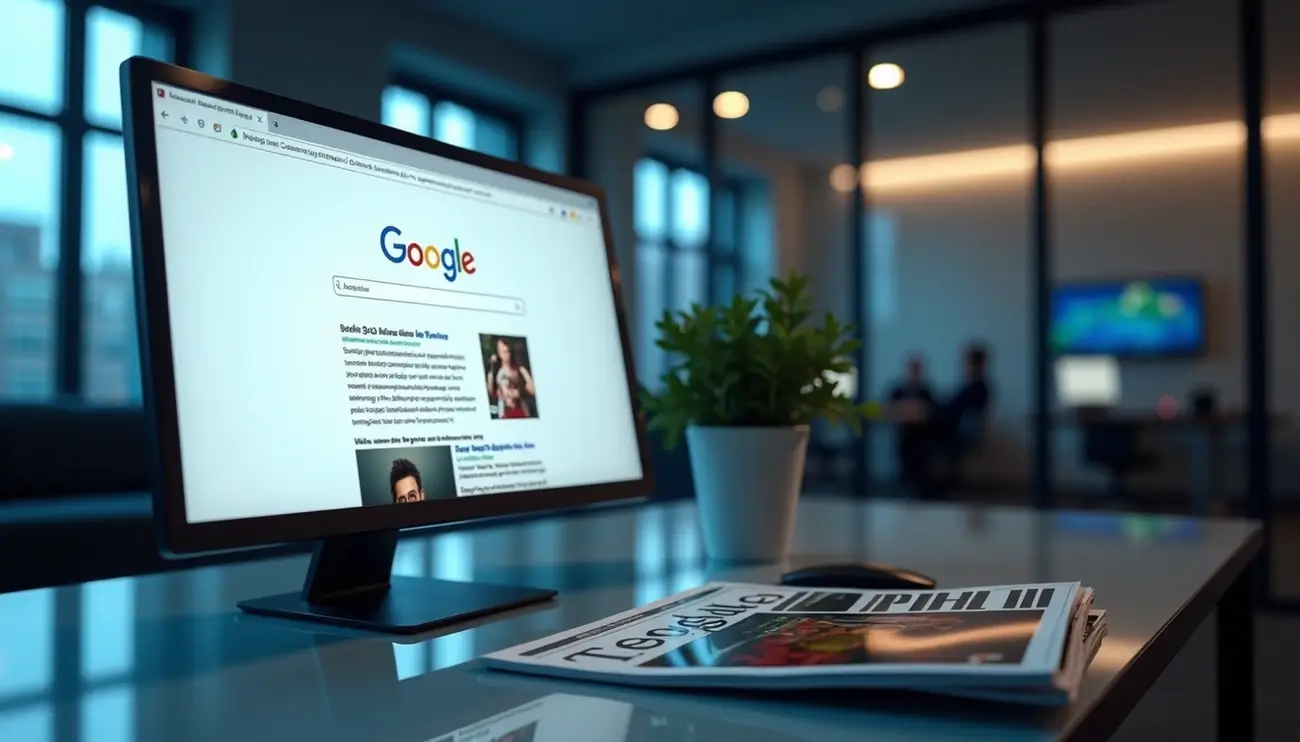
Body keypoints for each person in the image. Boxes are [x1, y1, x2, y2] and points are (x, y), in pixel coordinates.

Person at [930, 344, 993, 493]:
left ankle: (923, 487)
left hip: (957, 434)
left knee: (914, 436)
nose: (964, 366)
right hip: (958, 432)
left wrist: (929, 409)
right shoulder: (977, 386)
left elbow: (951, 408)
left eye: (967, 362)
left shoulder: (976, 387)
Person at [887, 356, 935, 494]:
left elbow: (931, 412)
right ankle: (906, 479)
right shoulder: (898, 390)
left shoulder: (926, 391)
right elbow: (892, 410)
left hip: (922, 433)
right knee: (905, 443)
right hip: (904, 432)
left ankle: (918, 483)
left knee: (919, 447)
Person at [486, 337, 536, 419]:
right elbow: (491, 391)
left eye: (507, 351)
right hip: (505, 414)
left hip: (521, 412)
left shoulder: (519, 369)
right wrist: (491, 368)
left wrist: (519, 392)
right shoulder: (495, 372)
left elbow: (532, 389)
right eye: (501, 350)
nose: (505, 352)